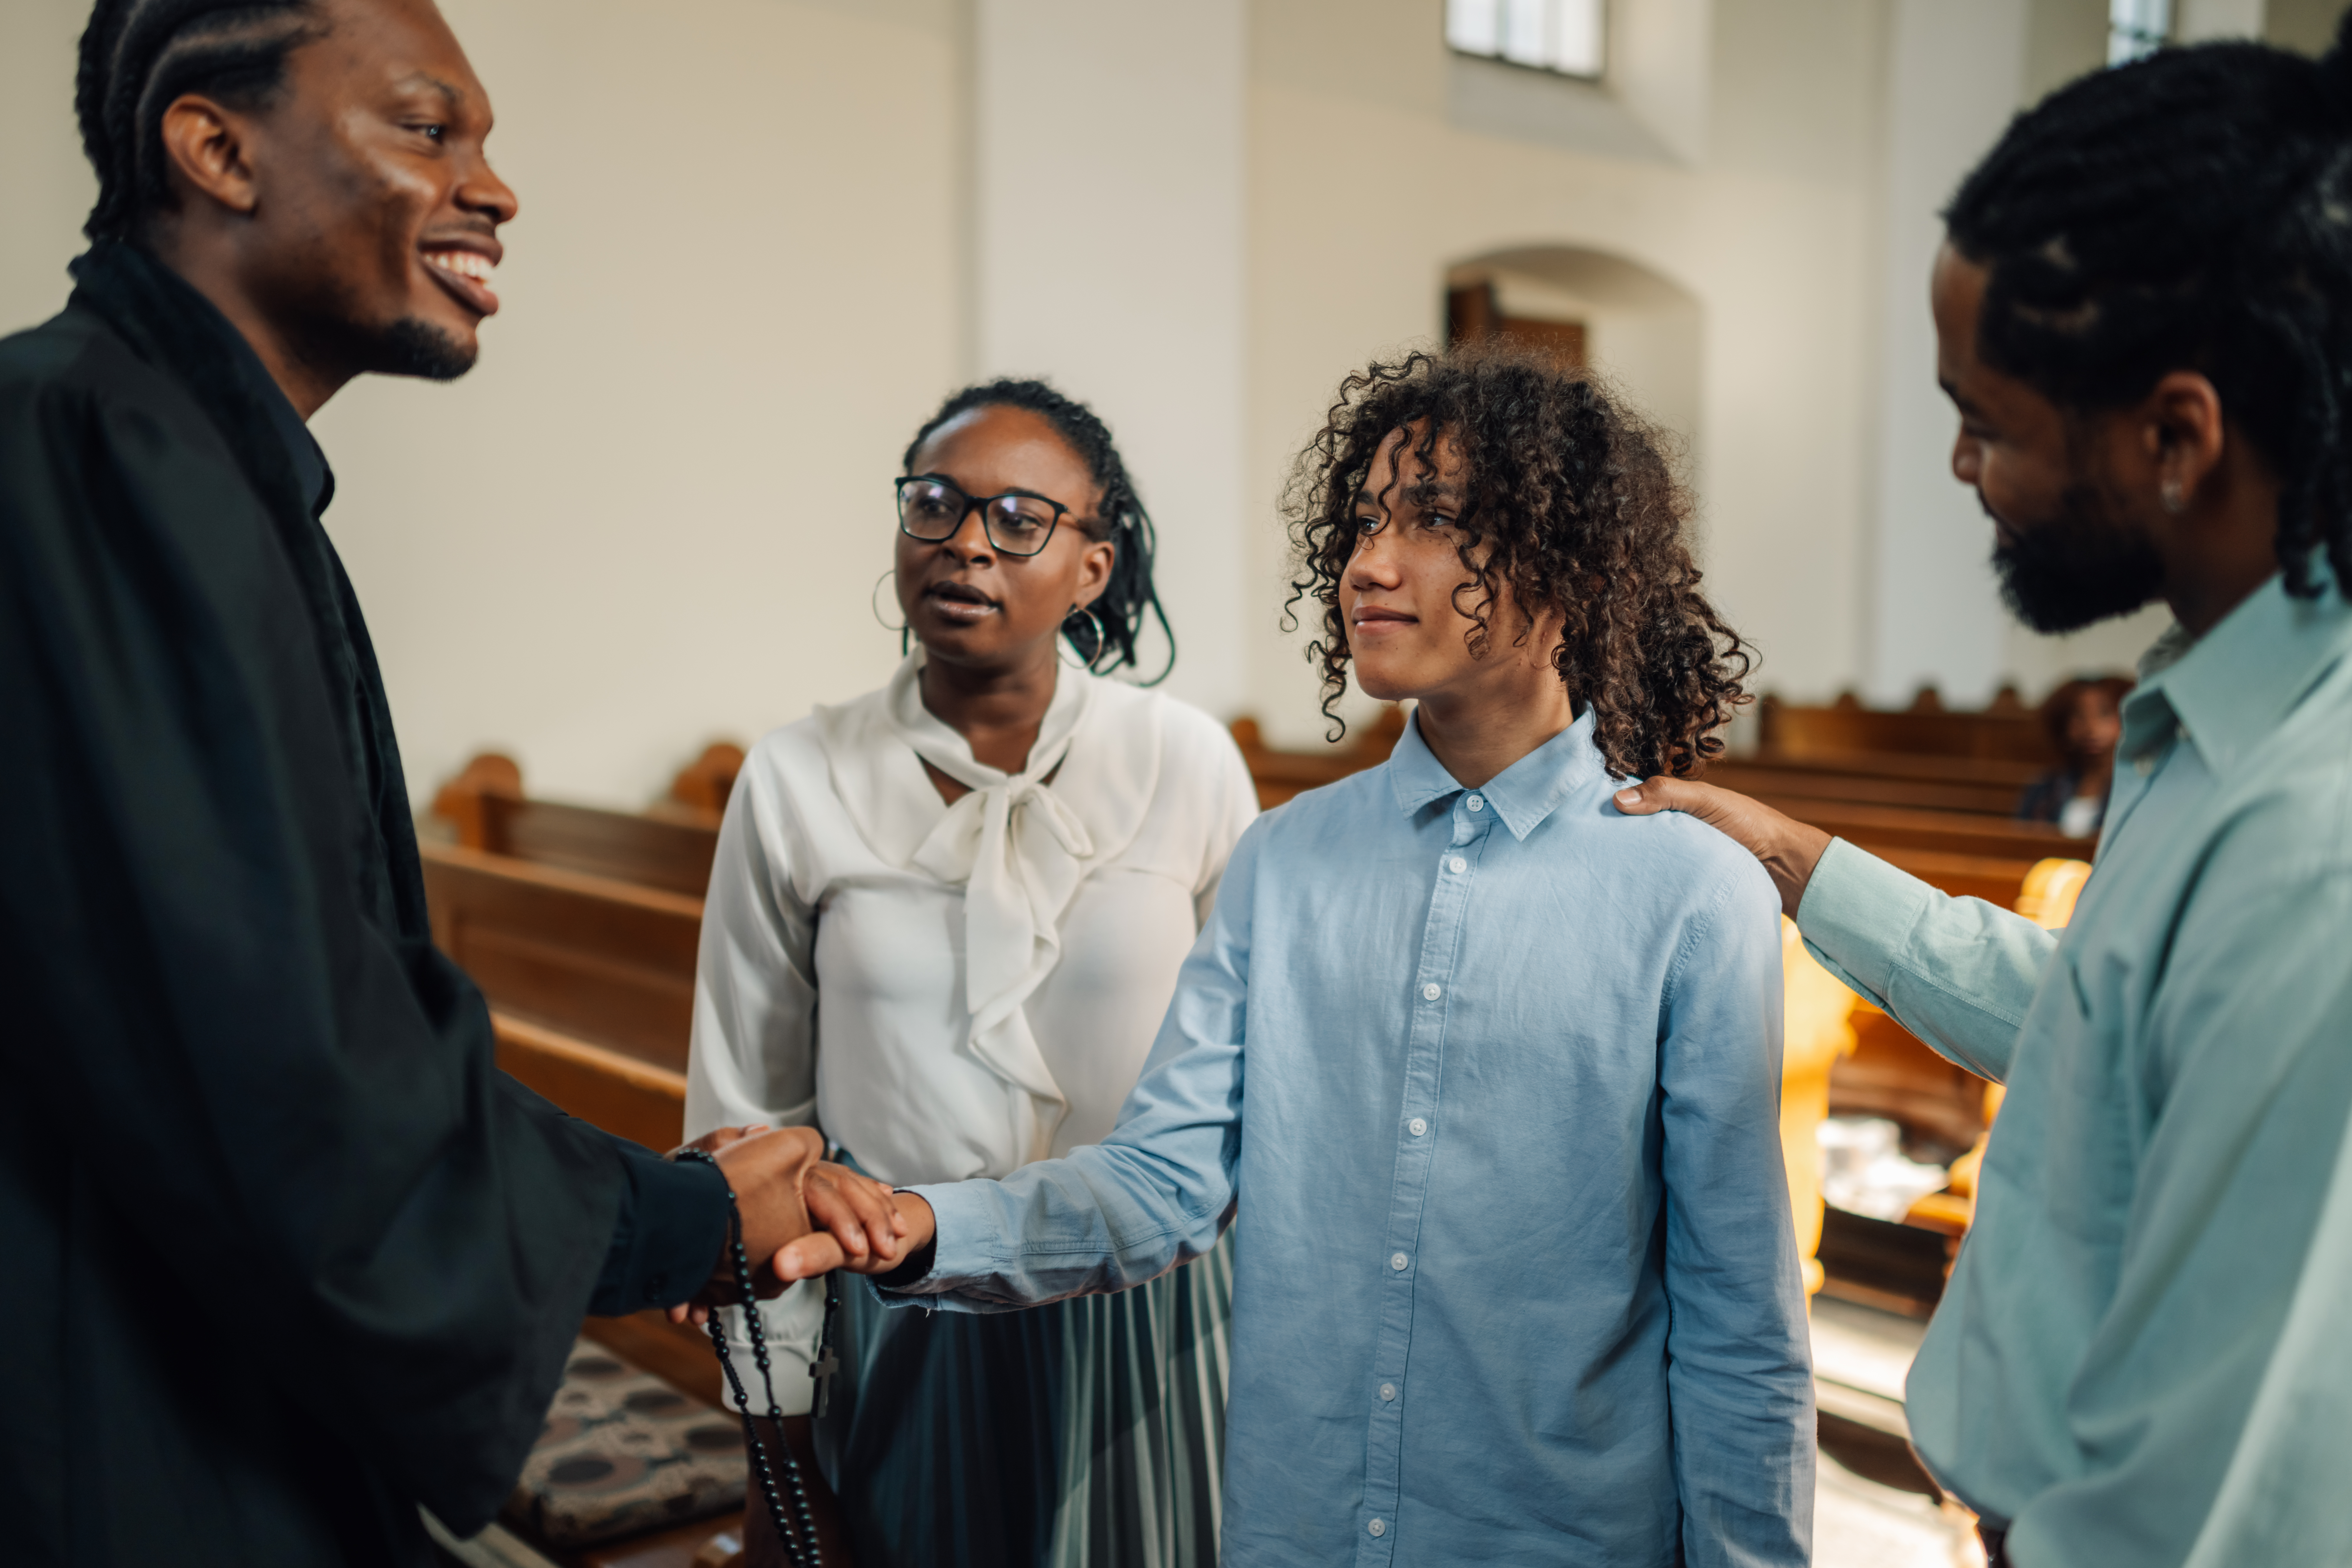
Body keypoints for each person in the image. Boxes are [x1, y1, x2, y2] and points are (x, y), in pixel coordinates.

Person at [0, 4, 849, 1564]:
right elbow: (282, 1059)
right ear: (216, 146)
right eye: (425, 128)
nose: (495, 187)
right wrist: (685, 1219)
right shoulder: (108, 455)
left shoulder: (177, 459)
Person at [779, 346, 1815, 1567]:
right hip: (1298, 1529)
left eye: (1432, 521)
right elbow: (1164, 1184)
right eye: (1365, 520)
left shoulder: (1688, 892)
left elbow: (1740, 1328)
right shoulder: (1286, 861)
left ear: (1565, 562)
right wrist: (924, 1226)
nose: (1368, 564)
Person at [1616, 24, 2352, 1568]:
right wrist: (1800, 860)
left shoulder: (2312, 827)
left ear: (2174, 435)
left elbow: (2226, 1493)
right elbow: (2096, 1021)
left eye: (1987, 421)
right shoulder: (2205, 705)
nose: (1960, 466)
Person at [682, 378, 1256, 1568]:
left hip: (1150, 1323)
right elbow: (750, 1122)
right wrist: (776, 1457)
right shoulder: (798, 778)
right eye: (934, 506)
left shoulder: (1184, 764)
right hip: (901, 1315)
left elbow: (1258, 1089)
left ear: (1093, 567)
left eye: (1018, 520)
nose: (964, 545)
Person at [2013, 675, 2130, 836]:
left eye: (2105, 714)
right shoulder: (2045, 788)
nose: (2091, 728)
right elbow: (2022, 842)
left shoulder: (2135, 788)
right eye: (2079, 716)